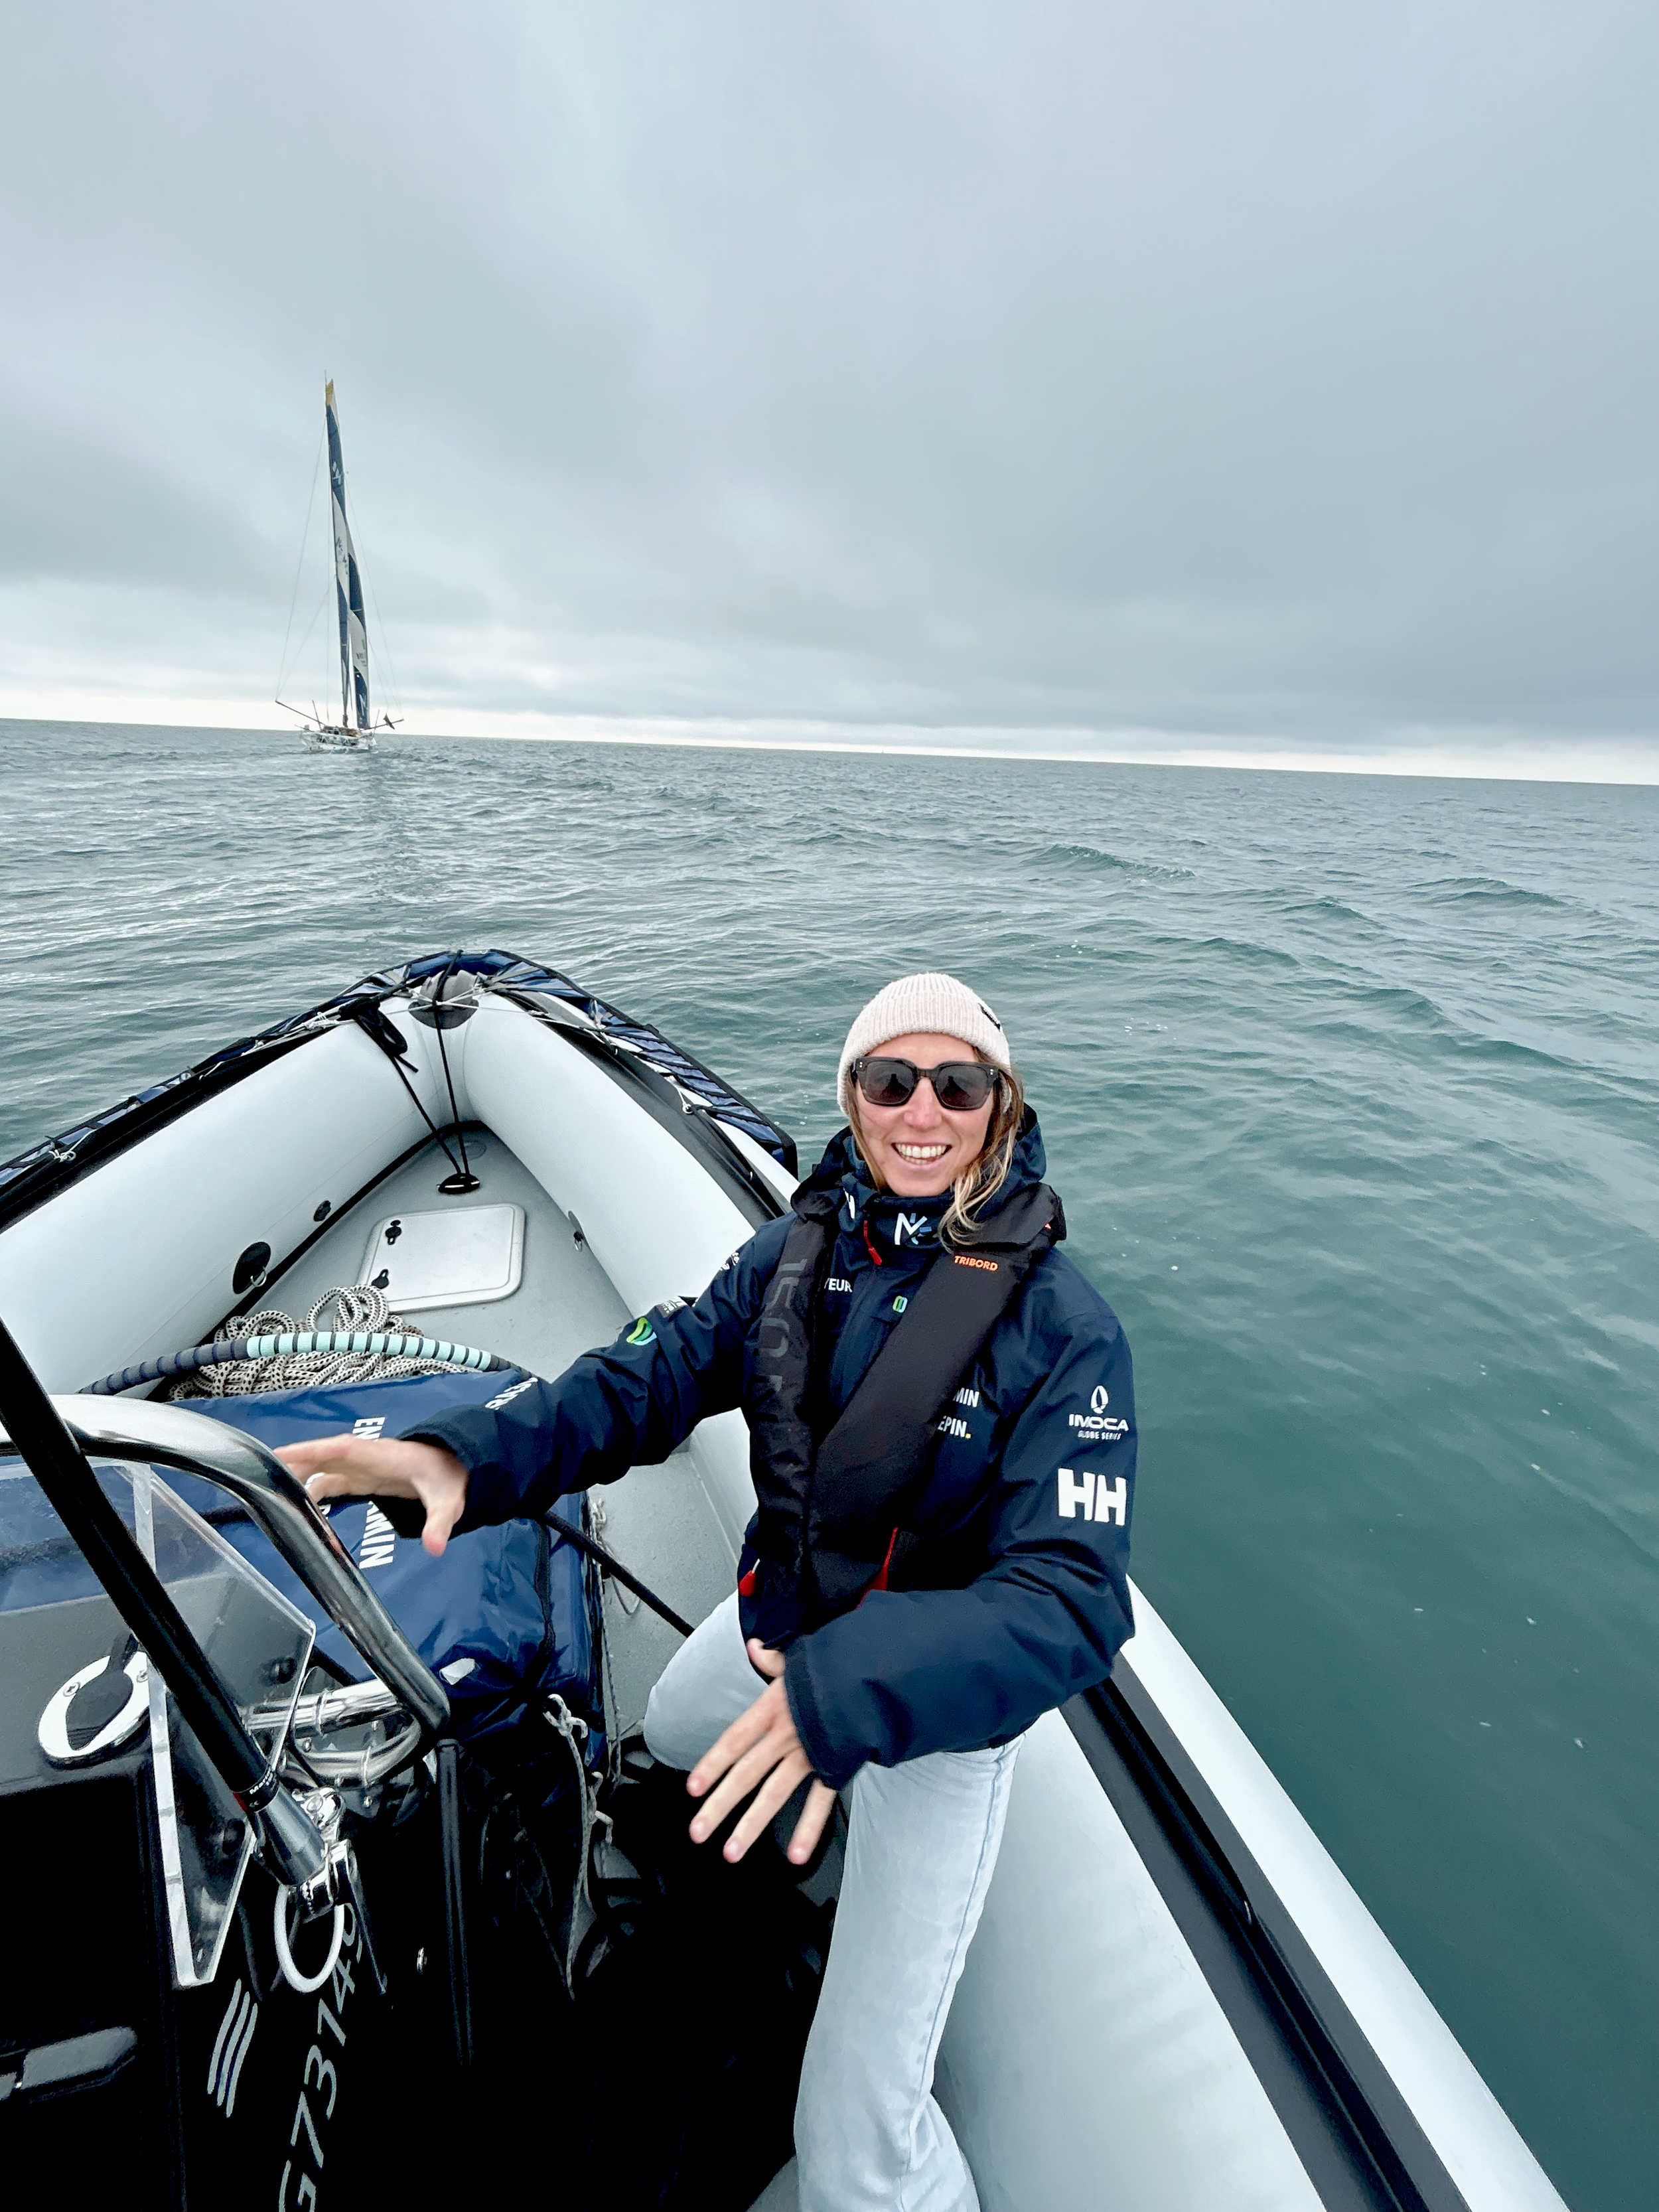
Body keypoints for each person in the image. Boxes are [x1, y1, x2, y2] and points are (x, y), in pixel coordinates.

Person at [280, 972, 1136, 2212]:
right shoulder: (791, 1258)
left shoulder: (1065, 1330)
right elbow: (643, 1380)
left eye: (958, 1085)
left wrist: (839, 1699)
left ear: (999, 1107)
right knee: (670, 1749)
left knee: (854, 2146)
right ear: (852, 1094)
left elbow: (1070, 1603)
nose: (921, 1113)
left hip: (931, 1728)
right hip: (774, 1638)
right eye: (891, 1080)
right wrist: (454, 1456)